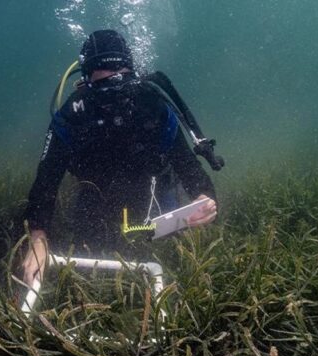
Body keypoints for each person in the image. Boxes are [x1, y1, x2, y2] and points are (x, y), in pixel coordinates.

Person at [21, 29, 218, 287]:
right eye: (103, 85)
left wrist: (204, 197)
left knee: (174, 248)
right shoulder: (72, 115)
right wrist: (38, 238)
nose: (114, 94)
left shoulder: (153, 105)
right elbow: (46, 181)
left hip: (152, 188)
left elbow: (188, 165)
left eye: (121, 80)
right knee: (87, 248)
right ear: (86, 81)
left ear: (132, 74)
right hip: (96, 191)